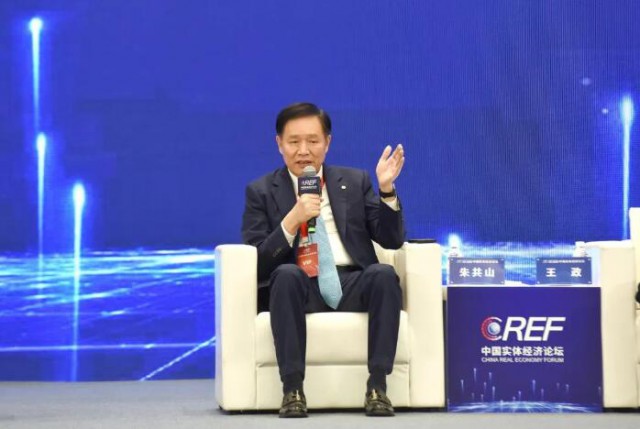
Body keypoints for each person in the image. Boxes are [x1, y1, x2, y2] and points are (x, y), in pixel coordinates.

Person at [241, 102, 406, 417]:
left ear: (327, 143)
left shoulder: (354, 182)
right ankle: (292, 390)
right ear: (279, 144)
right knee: (286, 275)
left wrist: (386, 190)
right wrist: (292, 220)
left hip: (351, 281)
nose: (303, 150)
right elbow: (257, 262)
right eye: (294, 141)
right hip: (299, 287)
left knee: (383, 274)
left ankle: (378, 387)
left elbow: (392, 240)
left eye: (313, 141)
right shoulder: (260, 191)